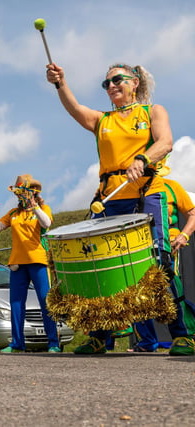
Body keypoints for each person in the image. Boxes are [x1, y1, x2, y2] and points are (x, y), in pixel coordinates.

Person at [46, 62, 194, 355]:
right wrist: (60, 83)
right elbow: (74, 108)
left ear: (134, 82)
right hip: (110, 199)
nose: (111, 86)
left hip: (148, 194)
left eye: (117, 80)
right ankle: (101, 337)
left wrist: (142, 159)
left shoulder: (152, 111)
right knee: (98, 266)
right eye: (106, 84)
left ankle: (182, 335)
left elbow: (165, 142)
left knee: (159, 261)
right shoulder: (102, 120)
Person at [0, 174, 60, 353]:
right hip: (17, 263)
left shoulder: (43, 209)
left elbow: (47, 223)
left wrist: (35, 207)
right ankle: (17, 344)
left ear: (32, 193)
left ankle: (53, 343)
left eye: (22, 192)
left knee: (45, 301)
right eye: (18, 193)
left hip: (38, 261)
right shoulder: (14, 213)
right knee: (16, 303)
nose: (19, 196)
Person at [131, 167, 195, 352]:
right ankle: (146, 341)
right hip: (137, 248)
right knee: (137, 293)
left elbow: (192, 214)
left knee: (167, 286)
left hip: (168, 245)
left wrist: (184, 235)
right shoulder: (129, 188)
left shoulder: (171, 186)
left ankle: (185, 335)